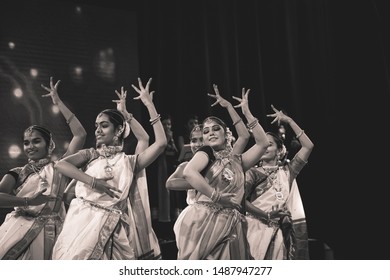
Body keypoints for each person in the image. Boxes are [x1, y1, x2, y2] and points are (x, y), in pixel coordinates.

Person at [51, 77, 167, 260]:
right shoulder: (90, 155)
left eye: (104, 126)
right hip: (80, 223)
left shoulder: (129, 162)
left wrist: (147, 105)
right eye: (96, 126)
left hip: (113, 228)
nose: (97, 130)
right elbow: (60, 165)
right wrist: (94, 182)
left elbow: (160, 143)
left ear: (119, 130)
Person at [174, 85, 269, 260]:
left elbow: (262, 143)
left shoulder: (238, 161)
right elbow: (189, 172)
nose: (210, 133)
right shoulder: (206, 154)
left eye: (215, 129)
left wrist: (245, 112)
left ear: (226, 134)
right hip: (204, 222)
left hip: (231, 223)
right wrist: (217, 196)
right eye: (206, 131)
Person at [0, 77, 87, 259]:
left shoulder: (60, 167)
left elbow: (80, 134)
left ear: (50, 145)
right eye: (26, 143)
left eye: (36, 141)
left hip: (57, 233)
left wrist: (58, 103)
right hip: (20, 231)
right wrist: (28, 202)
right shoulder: (18, 173)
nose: (30, 146)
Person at [244, 104, 314, 260]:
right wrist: (266, 215)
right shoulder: (252, 173)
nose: (264, 148)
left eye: (269, 145)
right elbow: (240, 201)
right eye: (261, 145)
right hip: (255, 229)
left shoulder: (288, 171)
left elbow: (308, 146)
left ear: (280, 150)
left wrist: (289, 121)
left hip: (281, 231)